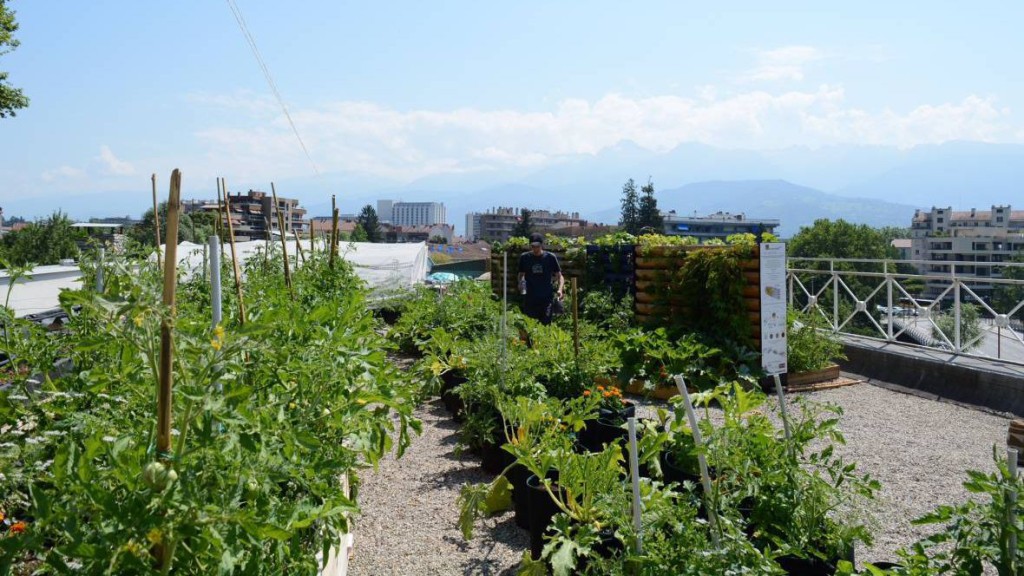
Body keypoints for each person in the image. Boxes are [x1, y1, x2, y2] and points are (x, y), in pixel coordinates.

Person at [518, 233, 564, 325]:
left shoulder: (550, 257)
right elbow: (521, 274)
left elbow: (560, 276)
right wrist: (520, 283)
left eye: (537, 246)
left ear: (541, 245)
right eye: (533, 246)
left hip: (546, 299)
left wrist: (560, 289)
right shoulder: (525, 257)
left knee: (546, 325)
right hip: (530, 299)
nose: (535, 248)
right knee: (530, 326)